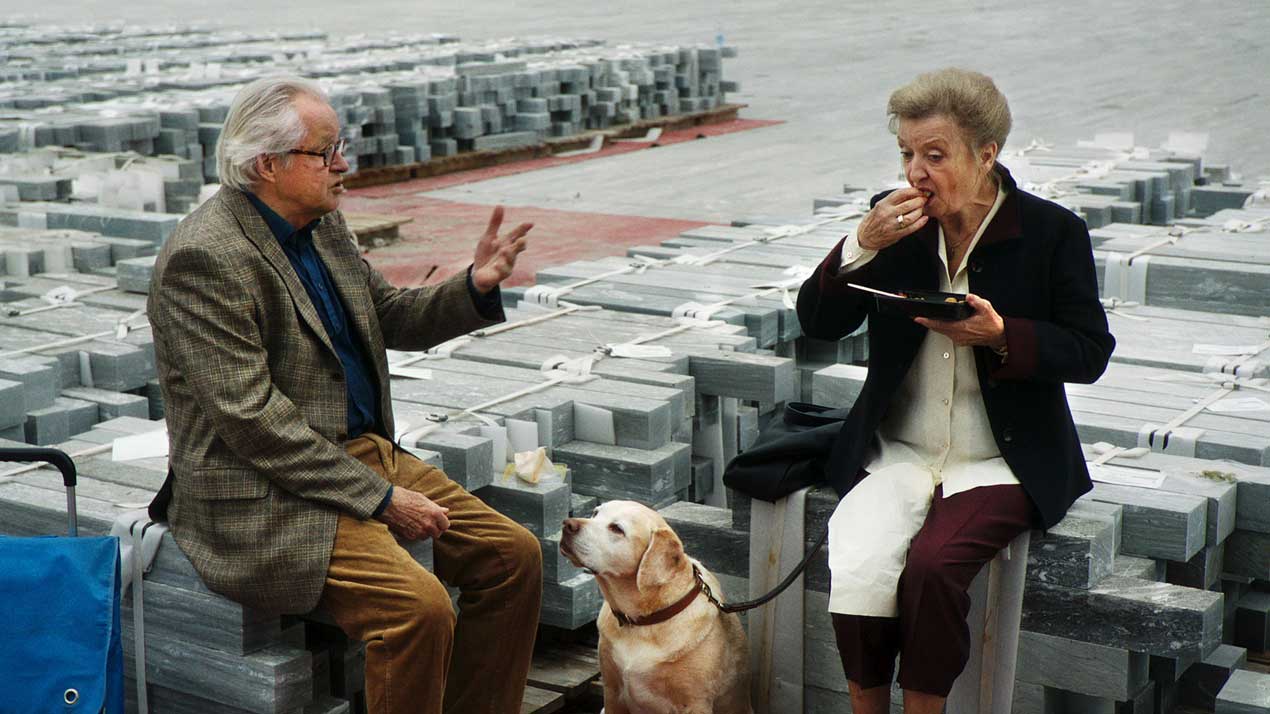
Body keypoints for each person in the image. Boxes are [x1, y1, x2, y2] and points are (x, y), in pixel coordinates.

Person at [147, 76, 542, 714]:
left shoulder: (322, 224)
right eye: (326, 151)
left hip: (355, 452)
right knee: (417, 609)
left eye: (340, 147)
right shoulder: (205, 259)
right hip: (265, 487)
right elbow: (252, 422)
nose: (343, 165)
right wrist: (382, 500)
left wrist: (474, 285)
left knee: (512, 557)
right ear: (268, 165)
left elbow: (391, 316)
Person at [796, 68, 1114, 714]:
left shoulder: (1053, 233)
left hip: (1001, 457)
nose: (916, 172)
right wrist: (859, 245)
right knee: (857, 562)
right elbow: (820, 325)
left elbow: (1089, 352)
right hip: (900, 447)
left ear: (986, 154)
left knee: (935, 569)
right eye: (907, 154)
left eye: (934, 156)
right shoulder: (896, 226)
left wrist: (1003, 337)